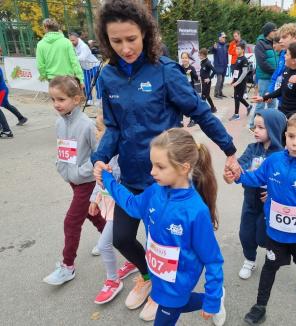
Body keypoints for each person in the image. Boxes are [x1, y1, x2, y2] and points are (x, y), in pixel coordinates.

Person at [92, 0, 240, 320]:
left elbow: (201, 111)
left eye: (131, 38)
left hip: (168, 178)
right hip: (132, 177)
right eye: (116, 41)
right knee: (122, 238)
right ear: (106, 40)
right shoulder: (108, 77)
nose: (126, 47)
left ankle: (169, 293)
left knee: (170, 246)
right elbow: (113, 128)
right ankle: (148, 279)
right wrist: (101, 158)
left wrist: (229, 150)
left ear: (145, 33)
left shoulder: (165, 71)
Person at [102, 128, 226, 326]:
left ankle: (214, 299)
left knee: (168, 312)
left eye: (160, 166)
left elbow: (212, 260)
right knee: (177, 306)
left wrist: (212, 297)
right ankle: (214, 299)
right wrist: (107, 179)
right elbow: (132, 205)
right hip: (157, 275)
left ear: (184, 168)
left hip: (178, 283)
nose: (152, 172)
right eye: (152, 165)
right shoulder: (154, 192)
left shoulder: (195, 211)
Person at [225, 111, 296, 325]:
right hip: (275, 230)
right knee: (270, 265)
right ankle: (260, 306)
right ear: (284, 135)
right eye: (290, 136)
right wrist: (238, 176)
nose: (295, 143)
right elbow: (256, 178)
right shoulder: (274, 161)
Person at [43, 76, 106, 286]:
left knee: (71, 222)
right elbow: (62, 150)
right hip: (72, 180)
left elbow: (99, 156)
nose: (56, 104)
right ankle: (110, 236)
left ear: (76, 99)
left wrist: (81, 171)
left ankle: (67, 266)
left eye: (60, 99)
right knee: (91, 213)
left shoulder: (87, 125)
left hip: (86, 182)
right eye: (53, 99)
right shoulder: (59, 123)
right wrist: (61, 167)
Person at [225, 109, 287, 279]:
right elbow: (241, 165)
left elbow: (287, 181)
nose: (255, 130)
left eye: (261, 127)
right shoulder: (252, 149)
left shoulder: (282, 156)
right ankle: (249, 260)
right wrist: (231, 172)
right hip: (250, 201)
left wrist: (275, 193)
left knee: (263, 237)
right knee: (245, 234)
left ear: (274, 129)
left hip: (269, 206)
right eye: (254, 126)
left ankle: (273, 254)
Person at [90, 113, 140, 305]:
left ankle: (113, 281)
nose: (96, 134)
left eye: (100, 129)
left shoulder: (121, 156)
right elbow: (99, 179)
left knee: (105, 244)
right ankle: (133, 262)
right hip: (109, 205)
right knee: (124, 239)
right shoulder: (104, 156)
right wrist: (94, 198)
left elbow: (117, 183)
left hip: (119, 206)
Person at [254, 42, 296, 119]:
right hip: (283, 113)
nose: (284, 56)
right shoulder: (287, 70)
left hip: (293, 121)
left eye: (287, 54)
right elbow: (283, 89)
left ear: (294, 61)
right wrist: (264, 97)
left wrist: (289, 116)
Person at [248, 22, 278, 128]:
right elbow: (262, 63)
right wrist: (276, 72)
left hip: (273, 78)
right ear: (268, 32)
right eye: (274, 30)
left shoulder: (275, 43)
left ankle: (269, 124)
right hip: (265, 78)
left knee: (272, 103)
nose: (276, 32)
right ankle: (253, 125)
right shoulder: (260, 44)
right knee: (261, 103)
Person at [36, 18, 83, 83]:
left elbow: (40, 65)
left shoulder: (40, 44)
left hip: (52, 79)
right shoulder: (66, 42)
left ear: (46, 28)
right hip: (67, 78)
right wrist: (80, 79)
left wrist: (44, 76)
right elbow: (74, 62)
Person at [69, 32, 102, 106]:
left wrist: (72, 59)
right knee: (86, 84)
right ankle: (89, 100)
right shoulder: (72, 46)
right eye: (70, 40)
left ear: (77, 38)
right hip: (85, 68)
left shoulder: (84, 46)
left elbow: (82, 58)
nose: (71, 42)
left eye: (73, 40)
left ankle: (100, 99)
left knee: (97, 84)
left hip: (94, 65)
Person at [0, 67, 27, 138]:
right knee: (7, 105)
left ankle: (7, 131)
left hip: (1, 91)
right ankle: (21, 118)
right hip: (3, 90)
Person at [229, 42, 253, 121]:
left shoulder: (244, 59)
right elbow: (236, 71)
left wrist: (238, 82)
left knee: (237, 97)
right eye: (236, 48)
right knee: (237, 97)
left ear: (242, 50)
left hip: (241, 82)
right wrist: (233, 80)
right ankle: (248, 106)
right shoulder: (237, 58)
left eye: (238, 49)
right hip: (236, 81)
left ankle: (236, 114)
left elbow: (244, 72)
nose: (236, 50)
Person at [180, 51, 200, 127]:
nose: (184, 59)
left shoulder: (192, 67)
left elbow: (196, 78)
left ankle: (192, 120)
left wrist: (191, 73)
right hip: (182, 89)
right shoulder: (180, 68)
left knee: (191, 105)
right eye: (183, 58)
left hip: (190, 89)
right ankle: (181, 121)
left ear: (188, 59)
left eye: (186, 58)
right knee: (180, 104)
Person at [210, 32, 228, 98]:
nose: (224, 38)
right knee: (219, 80)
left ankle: (220, 92)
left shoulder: (225, 45)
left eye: (225, 37)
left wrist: (227, 63)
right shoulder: (216, 45)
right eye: (223, 37)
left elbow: (226, 55)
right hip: (218, 66)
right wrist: (213, 48)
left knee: (222, 80)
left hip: (224, 66)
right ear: (219, 38)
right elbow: (212, 50)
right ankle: (216, 93)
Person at [199, 48, 217, 113]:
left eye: (200, 55)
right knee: (206, 95)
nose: (199, 56)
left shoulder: (207, 63)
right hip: (203, 81)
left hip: (206, 82)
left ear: (203, 55)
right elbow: (203, 71)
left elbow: (214, 71)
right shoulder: (202, 62)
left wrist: (209, 78)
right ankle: (213, 108)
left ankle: (202, 109)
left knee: (203, 96)